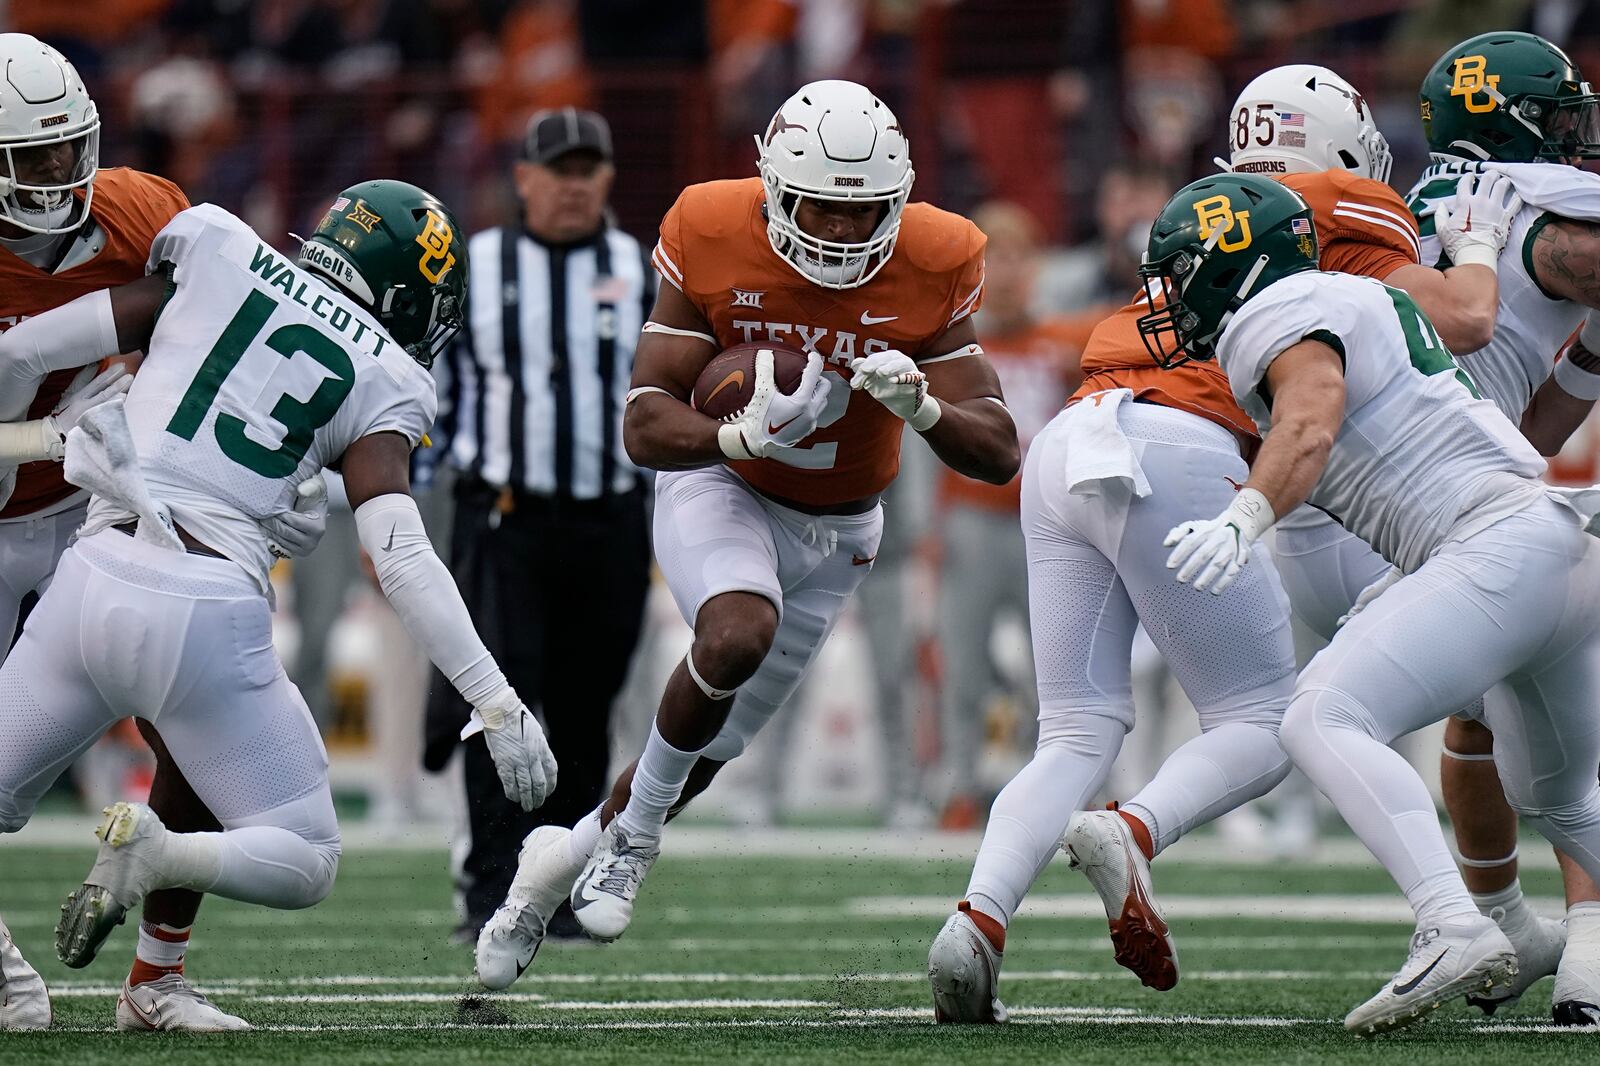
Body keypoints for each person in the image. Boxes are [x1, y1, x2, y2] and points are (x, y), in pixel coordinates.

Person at [925, 63, 1516, 1023]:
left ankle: (977, 920)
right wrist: (1478, 245)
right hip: (1180, 447)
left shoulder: (1203, 205)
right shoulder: (1343, 201)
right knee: (1262, 718)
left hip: (1074, 436)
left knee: (1074, 729)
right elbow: (1461, 320)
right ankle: (1131, 830)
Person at [472, 78, 1019, 989]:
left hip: (844, 528)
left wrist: (923, 408)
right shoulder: (711, 226)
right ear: (773, 189)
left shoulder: (937, 254)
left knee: (704, 754)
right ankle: (632, 843)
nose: (844, 233)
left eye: (866, 211)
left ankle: (552, 868)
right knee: (735, 632)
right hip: (722, 483)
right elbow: (644, 422)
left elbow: (998, 449)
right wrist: (732, 435)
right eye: (821, 209)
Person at [0, 180, 558, 1026]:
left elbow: (21, 353)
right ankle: (159, 858)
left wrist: (29, 442)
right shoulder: (386, 371)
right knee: (306, 857)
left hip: (92, 575)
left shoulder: (220, 248)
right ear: (408, 294)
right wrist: (494, 697)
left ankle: (109, 987)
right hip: (205, 614)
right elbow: (400, 555)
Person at [1144, 171, 1600, 1035]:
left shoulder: (1272, 314)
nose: (1167, 297)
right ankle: (1462, 919)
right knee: (1561, 796)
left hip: (1496, 545)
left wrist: (1246, 515)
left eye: (1177, 273)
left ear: (1229, 267)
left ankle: (1449, 922)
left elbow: (1310, 423)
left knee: (1318, 715)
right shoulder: (1366, 296)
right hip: (1558, 549)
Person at [0, 32, 273, 1034]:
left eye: (71, 149)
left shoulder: (139, 208)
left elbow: (248, 300)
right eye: (32, 159)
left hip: (96, 514)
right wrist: (43, 430)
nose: (60, 177)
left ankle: (155, 979)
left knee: (201, 718)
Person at [1398, 31, 1600, 1025]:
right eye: (1562, 118)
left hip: (1397, 503)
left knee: (1475, 715)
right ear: (1520, 126)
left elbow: (1534, 423)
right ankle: (1585, 948)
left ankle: (1492, 920)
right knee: (1568, 732)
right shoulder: (1538, 205)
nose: (1576, 137)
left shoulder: (1397, 206)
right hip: (1484, 511)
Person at [427, 107, 653, 943]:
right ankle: (491, 881)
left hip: (611, 517)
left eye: (589, 168)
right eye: (559, 168)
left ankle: (556, 879)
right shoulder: (473, 267)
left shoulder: (640, 267)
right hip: (504, 518)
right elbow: (434, 394)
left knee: (588, 702)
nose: (575, 184)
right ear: (523, 178)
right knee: (504, 698)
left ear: (608, 179)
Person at [933, 200, 1085, 829]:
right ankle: (959, 782)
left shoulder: (1061, 343)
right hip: (970, 517)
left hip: (1043, 523)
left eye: (1023, 255)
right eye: (999, 256)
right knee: (962, 662)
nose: (1012, 269)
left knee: (1049, 666)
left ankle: (1038, 785)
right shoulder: (955, 346)